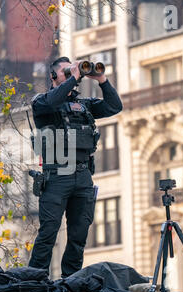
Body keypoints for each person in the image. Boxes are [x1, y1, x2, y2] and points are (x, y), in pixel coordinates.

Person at [28, 56, 123, 278]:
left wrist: (102, 80)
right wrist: (75, 75)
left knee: (79, 235)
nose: (72, 75)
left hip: (82, 176)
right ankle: (33, 280)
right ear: (53, 76)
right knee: (49, 233)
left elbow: (114, 106)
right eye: (66, 71)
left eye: (73, 71)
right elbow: (53, 101)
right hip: (57, 177)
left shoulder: (84, 105)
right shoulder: (42, 103)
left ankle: (70, 280)